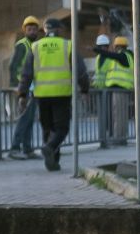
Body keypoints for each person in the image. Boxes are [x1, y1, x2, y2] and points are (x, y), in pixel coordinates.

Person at [31, 16, 84, 171]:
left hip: (42, 95)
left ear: (45, 30)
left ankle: (53, 161)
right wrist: (85, 88)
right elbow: (80, 71)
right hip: (61, 94)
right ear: (59, 29)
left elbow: (27, 72)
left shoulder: (36, 46)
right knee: (61, 128)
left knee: (48, 128)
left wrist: (22, 94)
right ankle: (50, 148)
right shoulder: (67, 45)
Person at [6, 15, 42, 158]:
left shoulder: (36, 46)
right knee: (23, 119)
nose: (32, 31)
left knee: (29, 119)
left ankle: (27, 149)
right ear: (24, 31)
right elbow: (13, 67)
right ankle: (15, 149)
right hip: (24, 89)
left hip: (33, 89)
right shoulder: (22, 45)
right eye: (29, 29)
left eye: (34, 29)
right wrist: (17, 87)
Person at [98, 34, 135, 145]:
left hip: (120, 88)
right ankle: (121, 137)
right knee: (121, 114)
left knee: (118, 115)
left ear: (118, 46)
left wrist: (98, 50)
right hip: (119, 89)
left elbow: (114, 57)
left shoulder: (124, 56)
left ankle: (118, 138)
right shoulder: (126, 56)